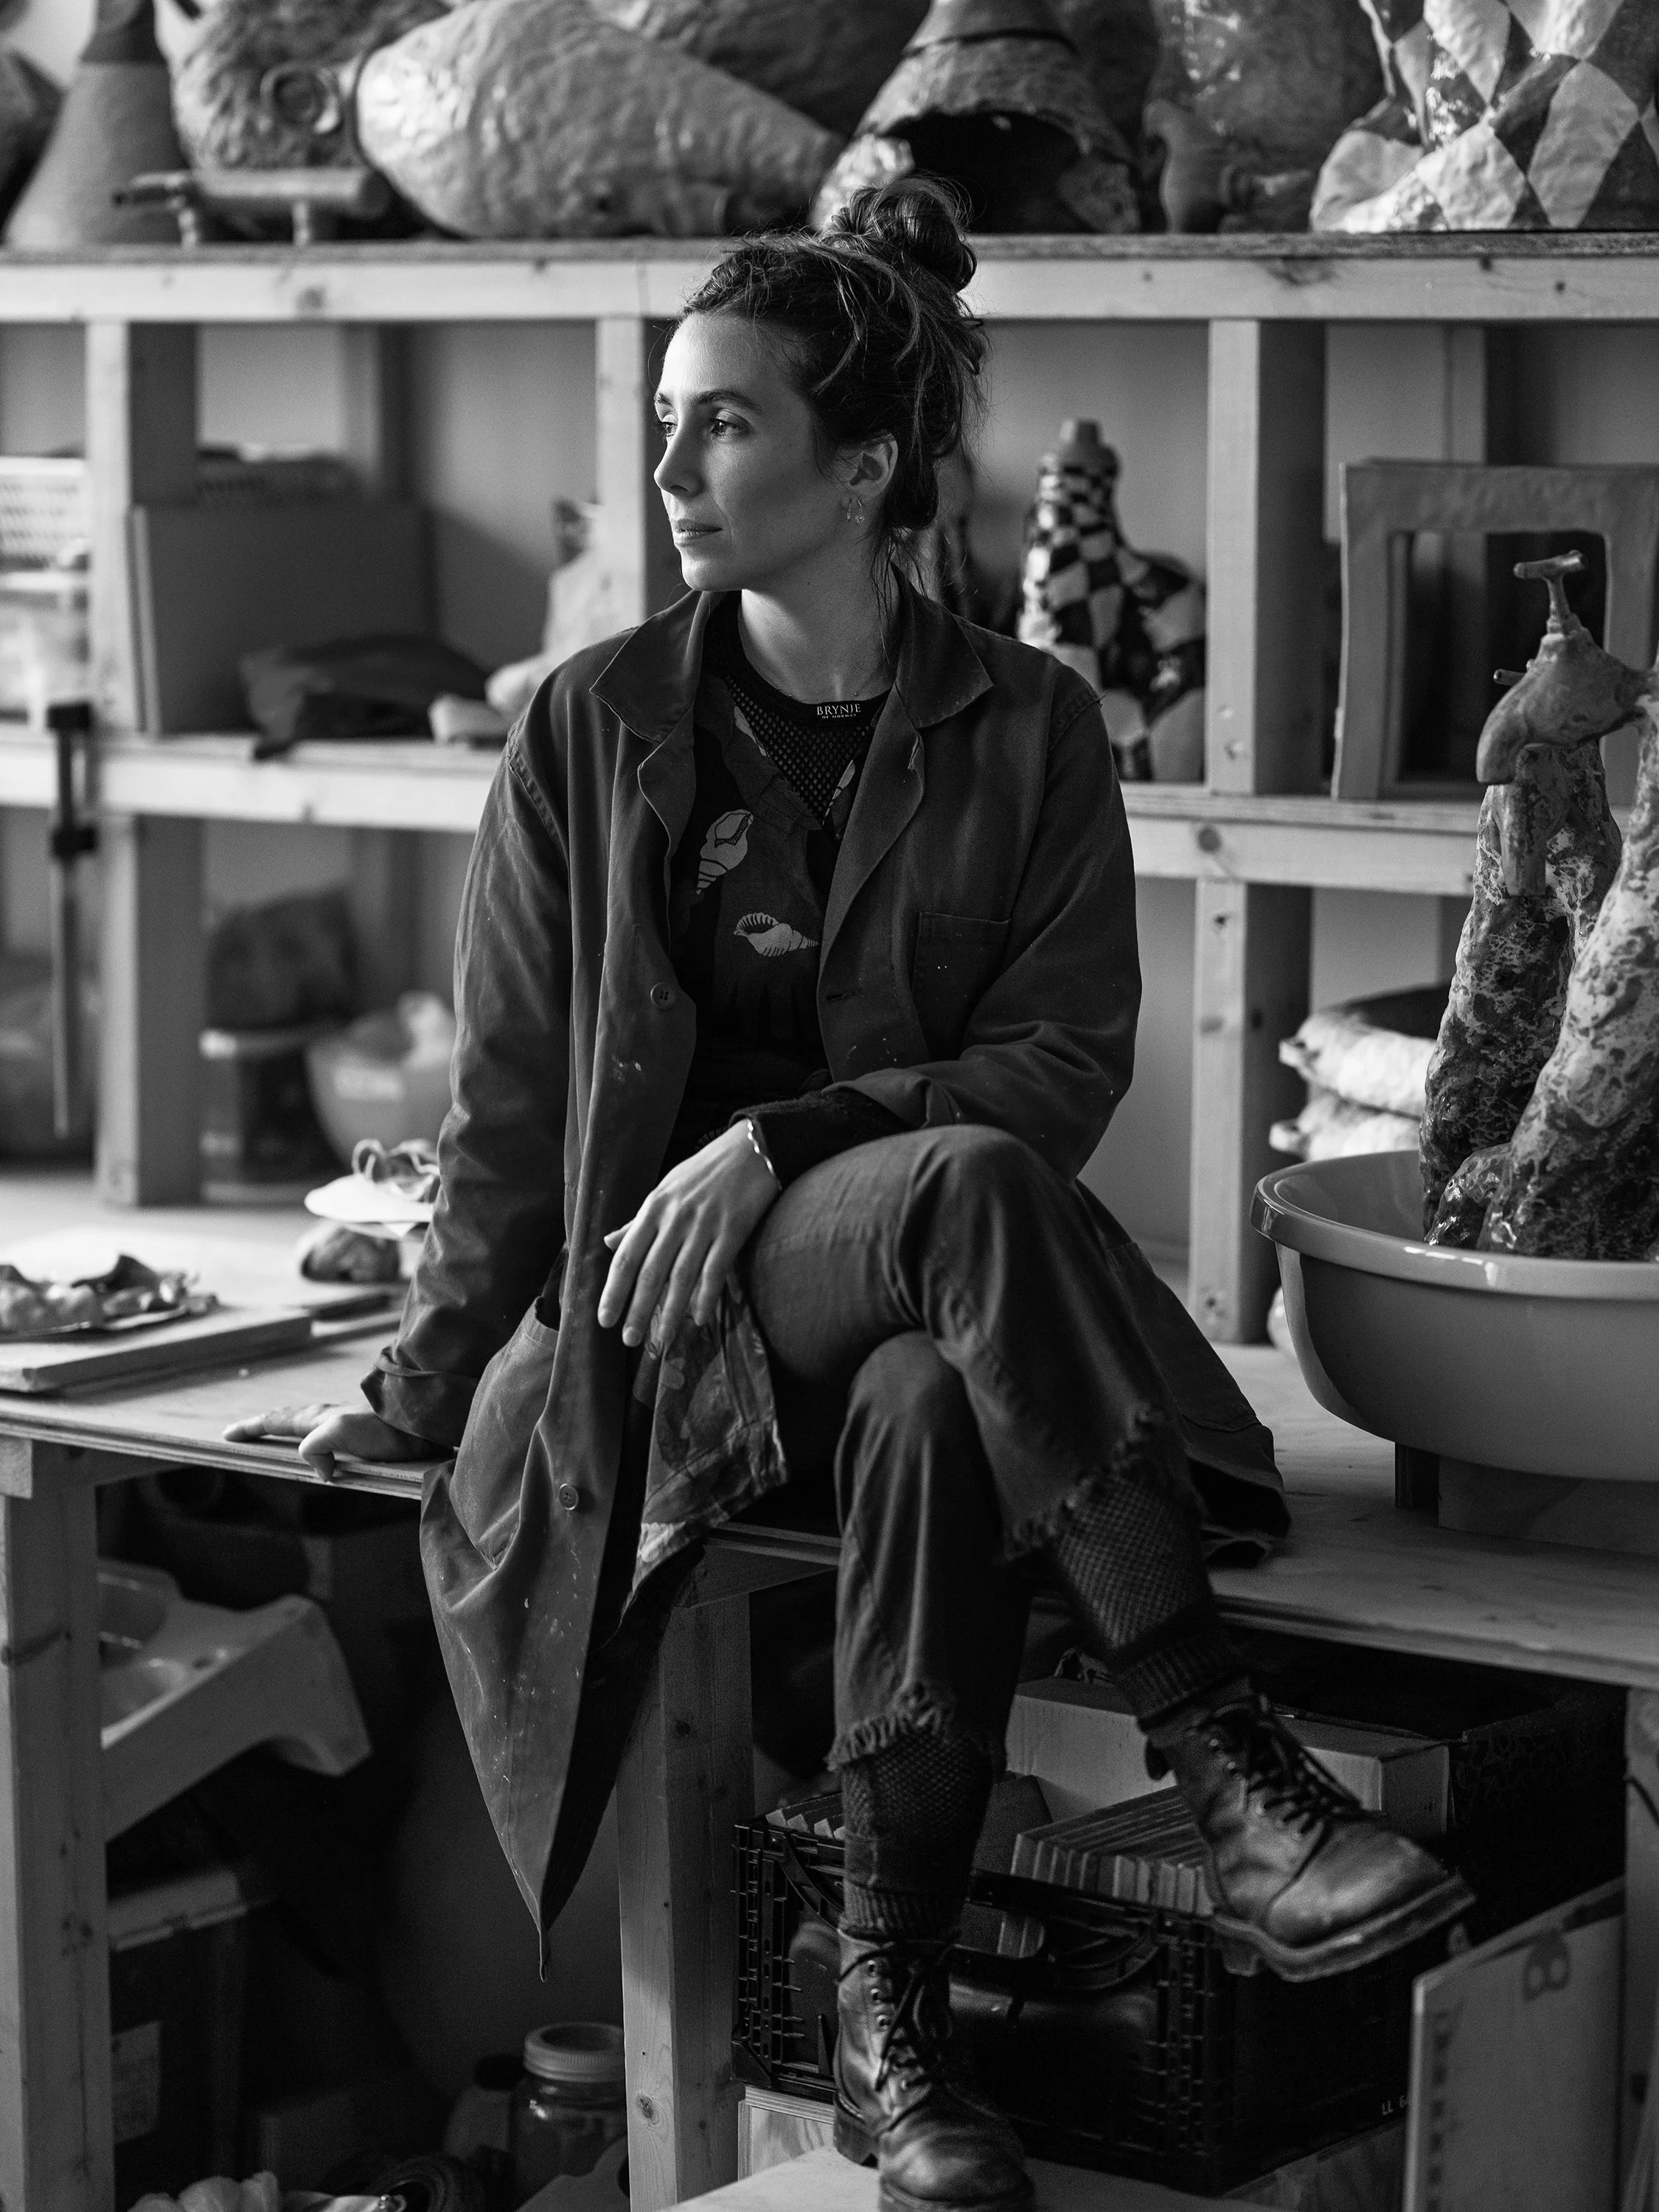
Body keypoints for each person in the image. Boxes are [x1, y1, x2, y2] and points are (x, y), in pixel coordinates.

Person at [232, 181, 1469, 2212]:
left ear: (867, 463)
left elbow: (1063, 1067)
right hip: (658, 1333)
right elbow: (512, 1108)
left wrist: (779, 1143)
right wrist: (423, 1385)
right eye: (668, 420)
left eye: (724, 423)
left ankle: (894, 2038)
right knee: (956, 1189)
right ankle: (1231, 1771)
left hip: (916, 1322)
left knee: (925, 1401)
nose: (670, 471)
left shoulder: (1033, 724)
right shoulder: (590, 725)